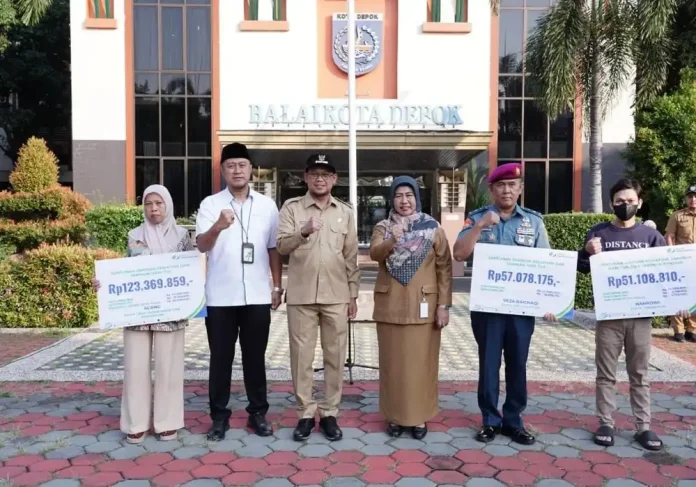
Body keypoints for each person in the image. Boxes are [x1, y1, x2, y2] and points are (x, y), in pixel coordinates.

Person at [578, 178, 690, 451]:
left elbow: (668, 273)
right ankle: (605, 422)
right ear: (611, 203)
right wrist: (587, 251)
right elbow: (581, 268)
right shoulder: (598, 233)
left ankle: (643, 427)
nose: (624, 205)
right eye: (619, 201)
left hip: (641, 318)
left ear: (639, 203)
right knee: (606, 374)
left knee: (639, 374)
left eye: (630, 201)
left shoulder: (651, 237)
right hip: (609, 317)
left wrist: (680, 301)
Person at [452, 162, 557, 446]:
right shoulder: (476, 218)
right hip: (487, 310)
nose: (507, 190)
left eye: (513, 185)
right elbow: (459, 254)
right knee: (488, 365)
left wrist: (550, 303)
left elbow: (546, 265)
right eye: (501, 185)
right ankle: (489, 420)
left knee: (517, 364)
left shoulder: (534, 222)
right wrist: (482, 225)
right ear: (492, 190)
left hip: (521, 310)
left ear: (520, 188)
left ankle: (513, 421)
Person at [195, 142, 283, 441]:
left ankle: (258, 412)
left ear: (251, 170)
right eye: (230, 165)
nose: (236, 170)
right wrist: (218, 227)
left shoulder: (268, 206)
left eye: (241, 165)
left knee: (255, 358)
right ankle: (218, 416)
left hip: (258, 294)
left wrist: (276, 284)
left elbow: (273, 248)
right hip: (221, 296)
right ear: (222, 170)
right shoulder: (210, 204)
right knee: (220, 359)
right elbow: (201, 245)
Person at [92, 185, 192, 444]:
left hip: (171, 313)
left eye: (159, 203)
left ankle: (167, 422)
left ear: (167, 205)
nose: (154, 208)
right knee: (135, 367)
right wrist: (104, 284)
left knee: (169, 368)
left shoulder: (182, 236)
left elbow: (190, 271)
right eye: (149, 204)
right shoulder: (134, 234)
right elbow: (124, 271)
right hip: (137, 313)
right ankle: (135, 423)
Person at [276, 154, 360, 442]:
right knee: (302, 358)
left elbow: (351, 256)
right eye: (314, 174)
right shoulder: (292, 208)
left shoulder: (345, 212)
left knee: (335, 355)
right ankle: (304, 413)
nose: (320, 179)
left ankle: (329, 412)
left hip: (336, 295)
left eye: (326, 174)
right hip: (301, 295)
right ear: (306, 177)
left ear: (334, 179)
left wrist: (353, 294)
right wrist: (303, 230)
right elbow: (281, 246)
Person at [369, 176, 452, 440]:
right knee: (393, 365)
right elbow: (374, 254)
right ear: (391, 199)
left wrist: (444, 305)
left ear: (417, 198)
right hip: (391, 306)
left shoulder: (433, 228)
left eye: (409, 195)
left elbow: (444, 268)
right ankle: (394, 416)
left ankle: (419, 418)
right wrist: (392, 240)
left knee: (422, 365)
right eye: (398, 196)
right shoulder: (383, 227)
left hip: (424, 306)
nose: (404, 201)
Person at [665, 184, 696, 342]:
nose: (693, 199)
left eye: (695, 196)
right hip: (681, 262)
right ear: (686, 198)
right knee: (678, 294)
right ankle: (679, 330)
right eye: (690, 196)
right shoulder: (677, 215)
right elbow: (669, 236)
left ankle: (692, 329)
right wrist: (672, 256)